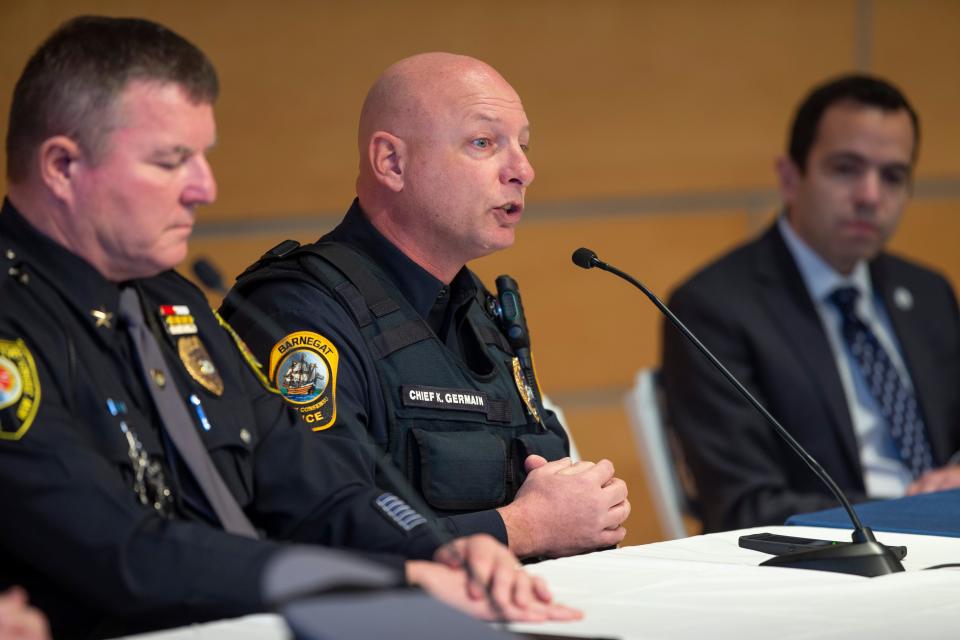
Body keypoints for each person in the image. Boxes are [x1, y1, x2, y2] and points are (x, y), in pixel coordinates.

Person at [0, 16, 579, 639]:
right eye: (171, 161)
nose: (204, 188)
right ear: (62, 166)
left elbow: (314, 480)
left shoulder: (174, 303)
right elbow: (120, 553)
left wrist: (438, 547)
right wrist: (376, 581)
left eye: (203, 157)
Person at [222, 52, 630, 559]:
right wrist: (524, 527)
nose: (523, 170)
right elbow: (317, 531)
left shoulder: (481, 309)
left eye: (523, 146)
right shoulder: (298, 313)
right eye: (484, 143)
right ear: (392, 162)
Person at [662, 74, 960, 533]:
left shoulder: (927, 291)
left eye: (893, 176)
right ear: (789, 177)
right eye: (846, 168)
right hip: (830, 560)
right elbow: (744, 505)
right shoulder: (713, 307)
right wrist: (910, 510)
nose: (870, 196)